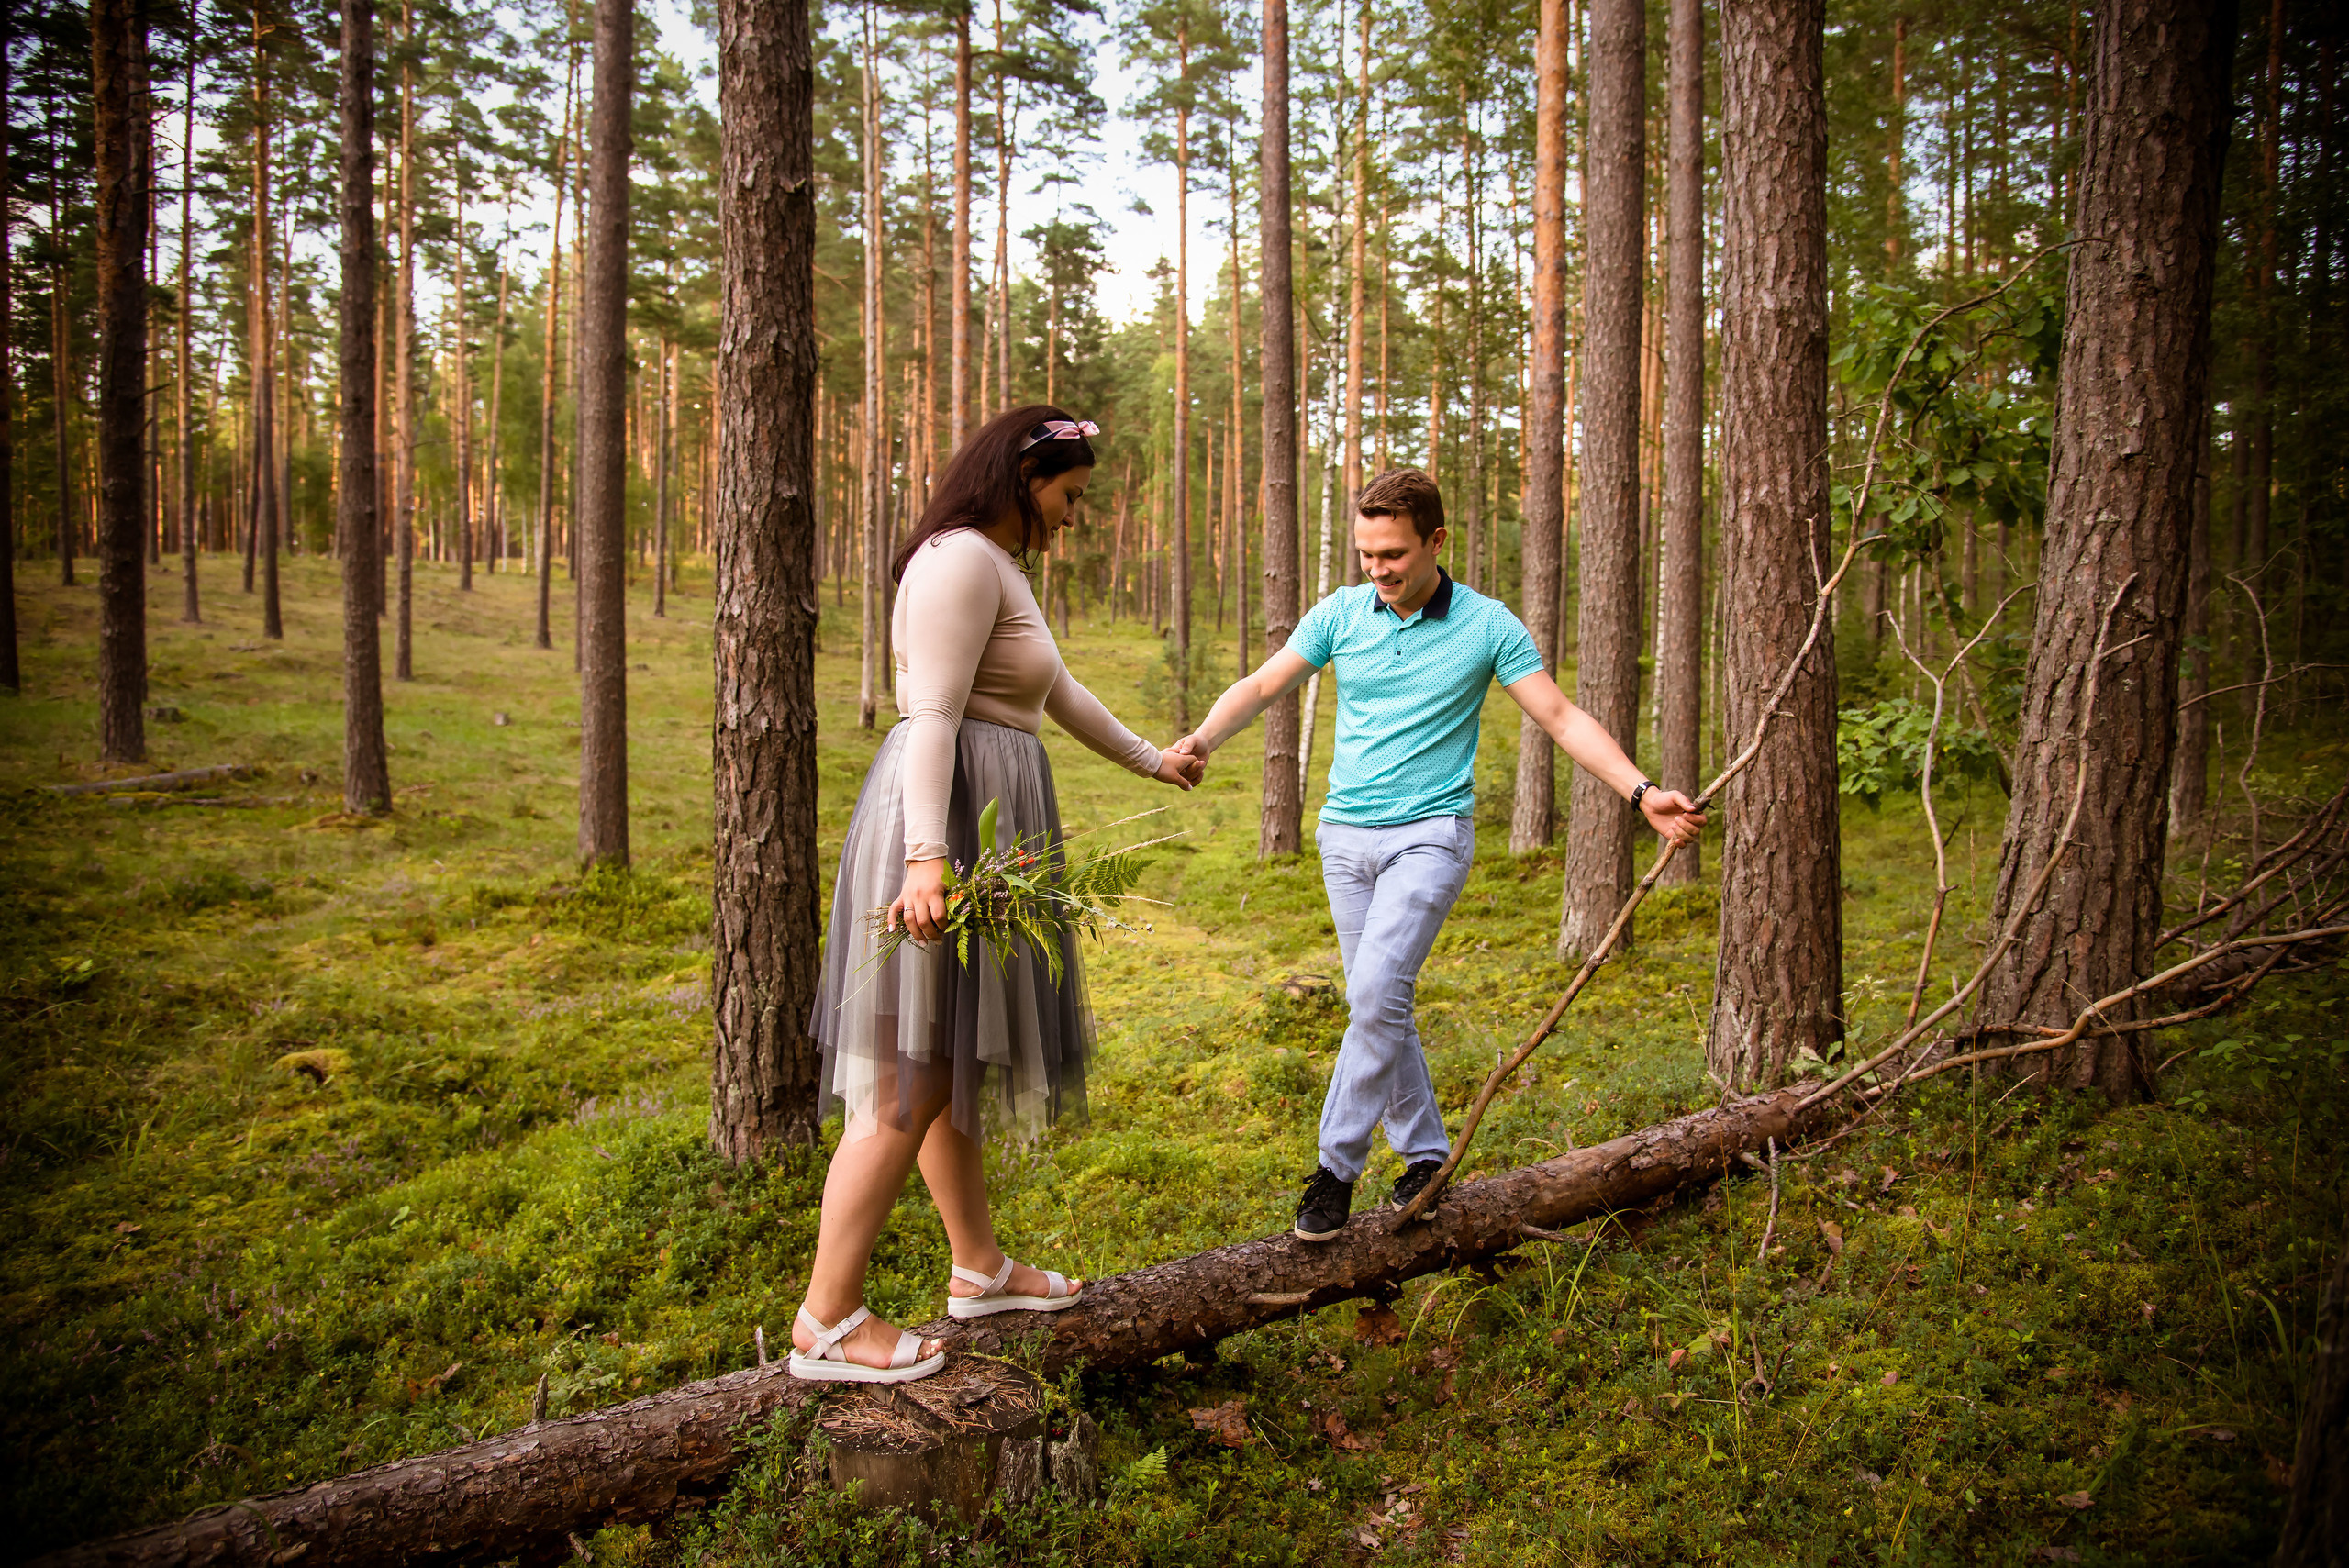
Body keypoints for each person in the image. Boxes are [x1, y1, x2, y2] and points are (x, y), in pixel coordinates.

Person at [1172, 467, 1705, 1243]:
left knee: (1375, 993)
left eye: (1392, 553)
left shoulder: (1488, 626)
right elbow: (1261, 685)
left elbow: (1559, 716)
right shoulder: (1341, 614)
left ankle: (1334, 1169)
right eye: (1365, 555)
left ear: (1435, 542)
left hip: (1431, 834)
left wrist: (1639, 790)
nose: (1379, 570)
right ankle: (1425, 1154)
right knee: (1380, 1004)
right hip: (1345, 838)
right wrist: (1201, 740)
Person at [794, 406, 1203, 1383]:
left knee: (946, 1058)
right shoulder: (958, 560)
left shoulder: (1001, 568)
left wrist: (1155, 759)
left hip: (988, 830)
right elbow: (931, 711)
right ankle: (828, 1317)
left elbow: (1053, 691)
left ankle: (978, 1267)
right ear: (1024, 478)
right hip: (946, 827)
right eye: (1068, 495)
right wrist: (927, 857)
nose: (1074, 516)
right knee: (909, 1071)